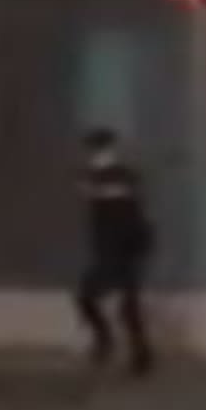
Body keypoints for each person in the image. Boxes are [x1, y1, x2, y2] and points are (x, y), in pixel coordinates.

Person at [75, 129, 154, 376]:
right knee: (125, 303)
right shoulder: (117, 176)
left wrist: (93, 188)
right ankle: (136, 353)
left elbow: (118, 206)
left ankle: (114, 344)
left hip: (119, 248)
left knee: (92, 296)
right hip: (123, 247)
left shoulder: (104, 178)